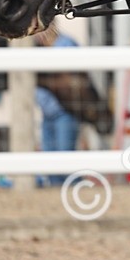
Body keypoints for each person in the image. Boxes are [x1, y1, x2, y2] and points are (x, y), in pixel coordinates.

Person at [35, 31, 81, 188]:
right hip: (46, 111)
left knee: (65, 157)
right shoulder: (36, 47)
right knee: (50, 161)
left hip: (65, 110)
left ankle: (74, 191)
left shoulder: (66, 44)